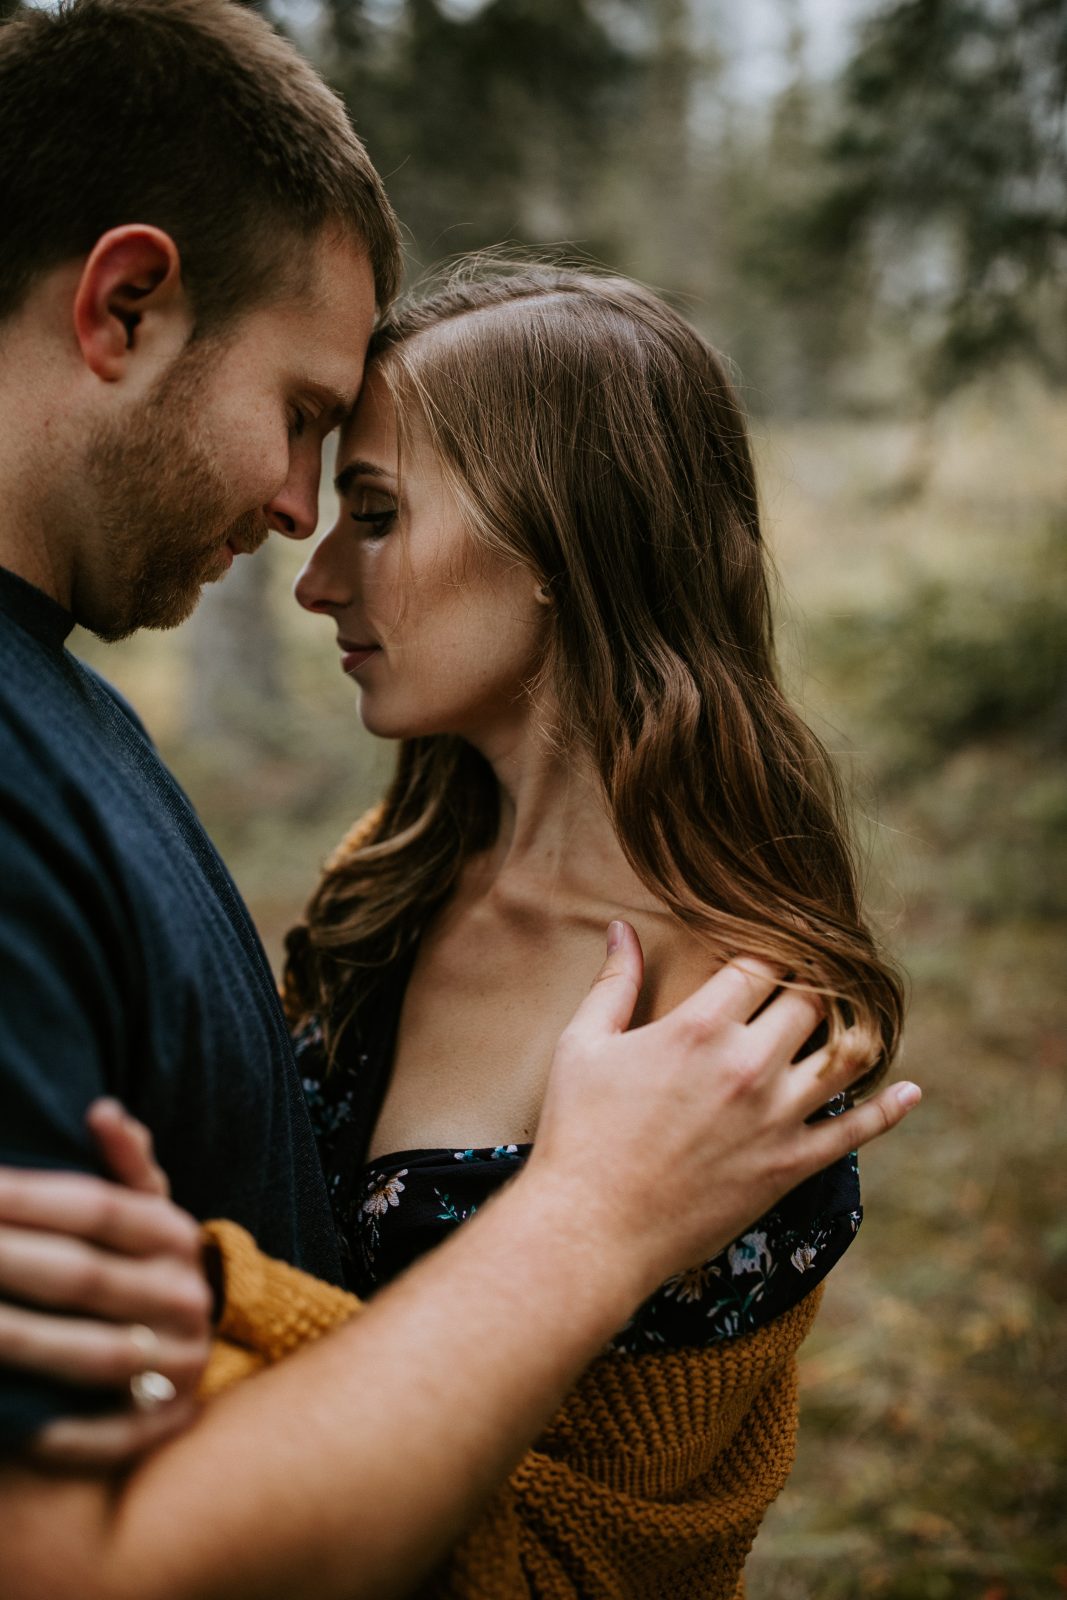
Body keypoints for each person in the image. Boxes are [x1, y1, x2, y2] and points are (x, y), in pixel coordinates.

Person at [0, 0, 920, 1596]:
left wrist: (214, 1303)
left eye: (368, 502)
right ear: (119, 302)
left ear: (565, 545)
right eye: (303, 431)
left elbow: (623, 1549)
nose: (306, 550)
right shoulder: (390, 881)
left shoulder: (733, 1021)